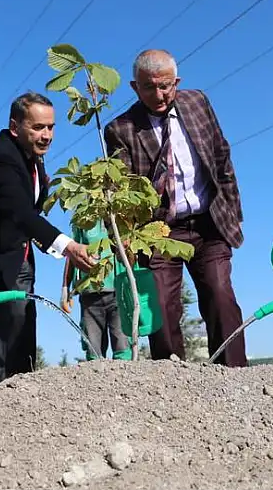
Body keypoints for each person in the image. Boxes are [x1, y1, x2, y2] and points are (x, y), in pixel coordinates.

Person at [103, 49, 248, 367]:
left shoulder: (198, 103)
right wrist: (124, 237)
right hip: (159, 231)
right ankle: (172, 386)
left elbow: (222, 157)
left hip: (209, 223)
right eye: (148, 87)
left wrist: (232, 213)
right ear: (134, 87)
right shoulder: (120, 129)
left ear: (177, 82)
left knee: (221, 296)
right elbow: (120, 190)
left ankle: (236, 379)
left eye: (166, 85)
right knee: (163, 310)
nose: (159, 94)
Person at [0, 92, 96, 389]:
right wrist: (68, 247)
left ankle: (23, 391)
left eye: (51, 127)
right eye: (38, 127)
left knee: (23, 318)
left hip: (18, 252)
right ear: (15, 127)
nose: (47, 135)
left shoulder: (33, 159)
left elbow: (29, 213)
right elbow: (21, 214)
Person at [60, 219, 132, 361]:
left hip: (118, 291)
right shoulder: (82, 219)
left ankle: (125, 380)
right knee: (93, 351)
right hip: (89, 293)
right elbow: (72, 254)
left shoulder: (121, 214)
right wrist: (65, 287)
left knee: (123, 347)